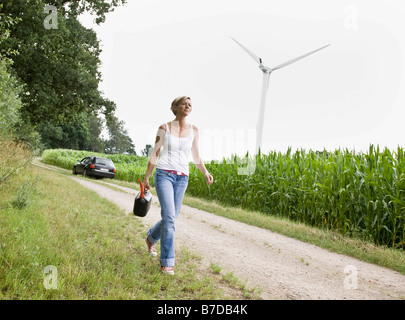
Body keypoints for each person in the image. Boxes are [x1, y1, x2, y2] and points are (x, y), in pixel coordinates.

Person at [142, 96, 213, 275]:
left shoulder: (194, 130)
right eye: (184, 103)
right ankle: (167, 262)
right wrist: (147, 178)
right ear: (175, 107)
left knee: (171, 217)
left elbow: (196, 156)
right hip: (164, 174)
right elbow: (155, 153)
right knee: (169, 218)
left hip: (182, 177)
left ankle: (151, 238)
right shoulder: (164, 127)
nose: (187, 106)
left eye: (190, 104)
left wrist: (205, 172)